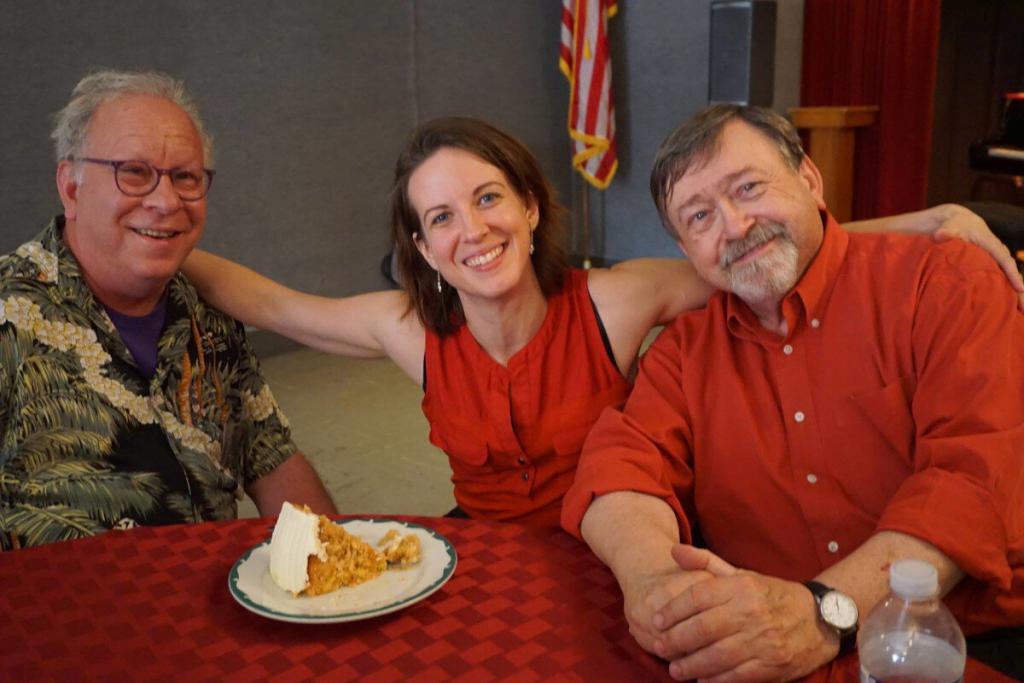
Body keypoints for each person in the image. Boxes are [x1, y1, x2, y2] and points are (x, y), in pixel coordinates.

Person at [184, 116, 1018, 529]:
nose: (470, 231)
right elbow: (265, 302)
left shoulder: (613, 300)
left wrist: (935, 216)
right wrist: (153, 247)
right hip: (481, 555)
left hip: (610, 549)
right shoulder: (406, 328)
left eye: (486, 199)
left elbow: (752, 251)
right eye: (439, 218)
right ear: (421, 245)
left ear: (531, 207)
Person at [561, 105, 1024, 681]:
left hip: (958, 637)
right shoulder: (686, 350)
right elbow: (620, 466)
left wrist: (824, 613)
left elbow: (971, 476)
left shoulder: (945, 283)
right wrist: (655, 583)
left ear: (809, 179)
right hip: (760, 640)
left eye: (748, 188)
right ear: (686, 250)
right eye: (699, 217)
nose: (732, 226)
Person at [0, 70, 336, 550]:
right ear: (71, 188)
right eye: (133, 172)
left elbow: (272, 458)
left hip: (213, 605)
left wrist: (337, 573)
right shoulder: (11, 316)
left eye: (185, 177)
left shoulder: (207, 313)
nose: (165, 201)